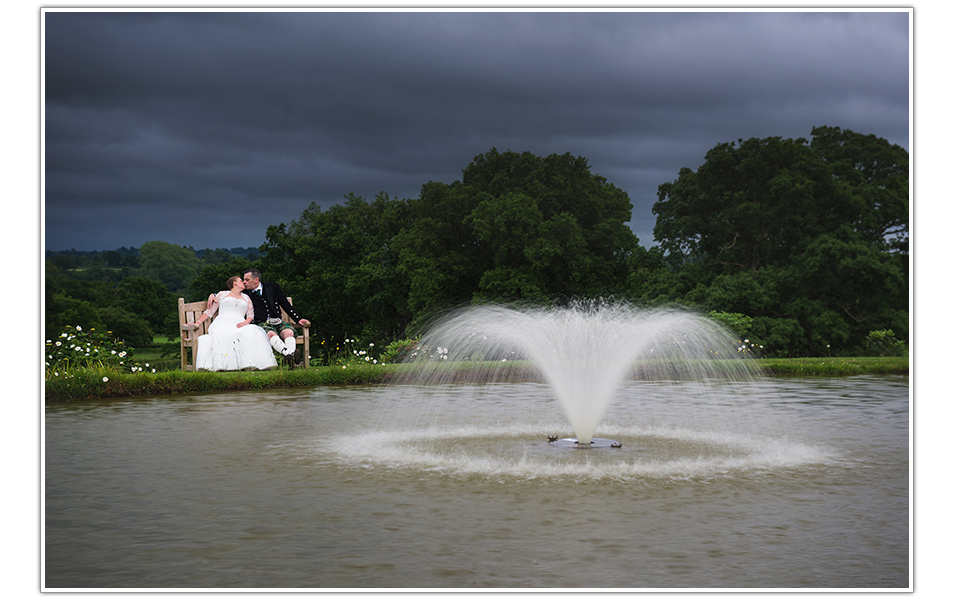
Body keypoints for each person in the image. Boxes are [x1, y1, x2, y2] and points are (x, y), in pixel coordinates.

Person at [193, 276, 278, 372]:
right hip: (223, 322)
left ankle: (251, 363)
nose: (244, 282)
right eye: (241, 281)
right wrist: (198, 322)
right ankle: (225, 364)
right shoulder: (222, 294)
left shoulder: (246, 297)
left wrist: (245, 322)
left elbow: (250, 315)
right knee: (226, 335)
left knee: (251, 331)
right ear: (234, 283)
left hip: (239, 323)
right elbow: (209, 312)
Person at [242, 269, 311, 368]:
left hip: (277, 321)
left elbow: (285, 303)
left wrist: (297, 319)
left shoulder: (273, 287)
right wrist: (213, 295)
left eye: (247, 279)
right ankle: (290, 354)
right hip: (261, 323)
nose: (244, 282)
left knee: (289, 332)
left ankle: (289, 356)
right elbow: (228, 292)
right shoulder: (244, 292)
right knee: (270, 334)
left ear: (256, 280)